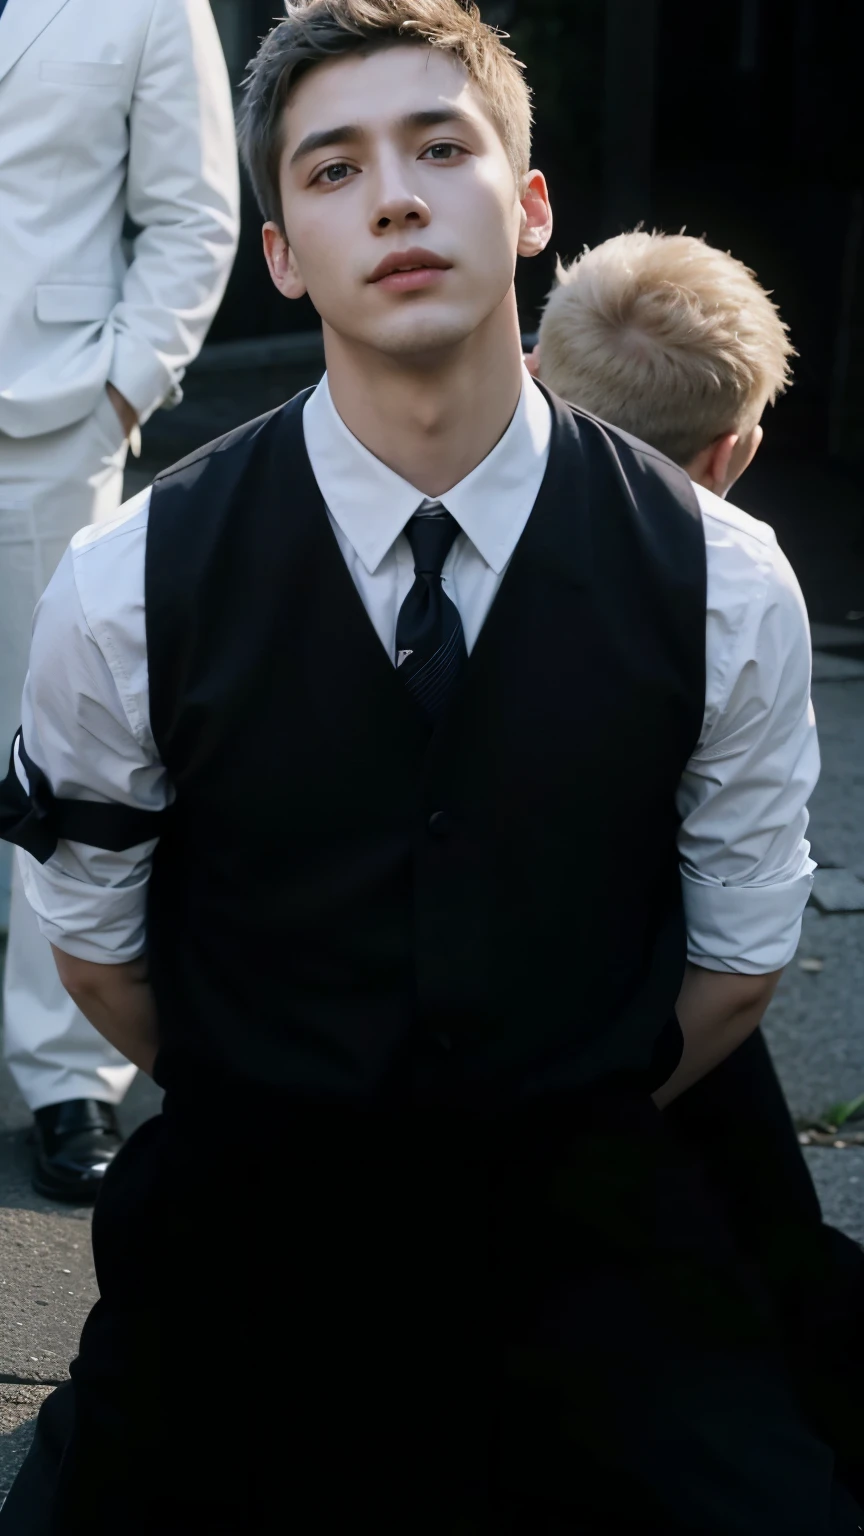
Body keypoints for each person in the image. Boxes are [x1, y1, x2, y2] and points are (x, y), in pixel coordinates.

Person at [0, 2, 860, 1530]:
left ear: (530, 207)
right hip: (251, 1243)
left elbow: (736, 965)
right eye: (331, 170)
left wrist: (541, 1122)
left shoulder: (726, 579)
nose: (393, 194)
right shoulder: (124, 584)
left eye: (439, 147)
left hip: (592, 1240)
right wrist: (299, 1113)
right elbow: (98, 951)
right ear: (280, 255)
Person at [528, 227, 864, 1497]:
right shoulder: (731, 580)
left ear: (526, 364)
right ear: (732, 455)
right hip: (636, 1027)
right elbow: (738, 963)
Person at [0, 0, 241, 1204]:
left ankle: (65, 1075)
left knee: (66, 747)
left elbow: (195, 213)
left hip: (46, 420)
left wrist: (122, 393)